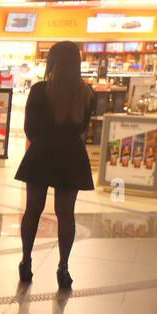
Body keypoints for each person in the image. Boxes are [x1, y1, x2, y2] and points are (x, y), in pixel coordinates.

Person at [15, 40, 94, 289]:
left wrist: (43, 140)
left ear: (52, 62)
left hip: (41, 154)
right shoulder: (86, 94)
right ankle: (63, 268)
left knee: (33, 210)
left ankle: (26, 261)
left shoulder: (39, 91)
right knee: (66, 214)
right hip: (71, 156)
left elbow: (30, 129)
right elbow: (83, 128)